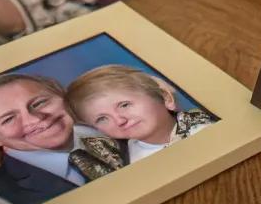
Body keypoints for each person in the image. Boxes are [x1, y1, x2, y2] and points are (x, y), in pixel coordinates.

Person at [0, 73, 125, 204]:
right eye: (8, 119)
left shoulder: (124, 129)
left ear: (62, 95)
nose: (35, 119)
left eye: (39, 103)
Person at [67, 66, 213, 162]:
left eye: (124, 105)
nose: (119, 120)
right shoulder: (125, 162)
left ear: (165, 98)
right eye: (102, 118)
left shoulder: (207, 129)